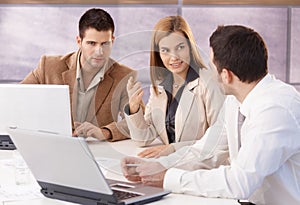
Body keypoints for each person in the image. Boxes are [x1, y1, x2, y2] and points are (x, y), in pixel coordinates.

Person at [122, 25, 300, 205]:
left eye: (213, 64)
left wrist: (168, 177)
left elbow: (239, 183)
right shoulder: (235, 100)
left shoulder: (276, 110)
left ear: (226, 75)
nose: (209, 70)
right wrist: (159, 166)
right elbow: (207, 150)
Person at [21, 8, 137, 141]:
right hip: (52, 144)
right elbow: (16, 99)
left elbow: (138, 123)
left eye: (105, 44)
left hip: (98, 151)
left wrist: (105, 132)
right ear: (79, 41)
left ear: (113, 41)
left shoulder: (124, 76)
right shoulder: (48, 66)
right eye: (91, 43)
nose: (99, 51)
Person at [124, 16, 225, 158]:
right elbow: (143, 138)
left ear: (190, 47)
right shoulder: (160, 85)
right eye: (165, 50)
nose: (174, 57)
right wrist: (134, 107)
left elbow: (220, 140)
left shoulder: (208, 83)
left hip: (198, 167)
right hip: (169, 164)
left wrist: (174, 149)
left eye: (180, 47)